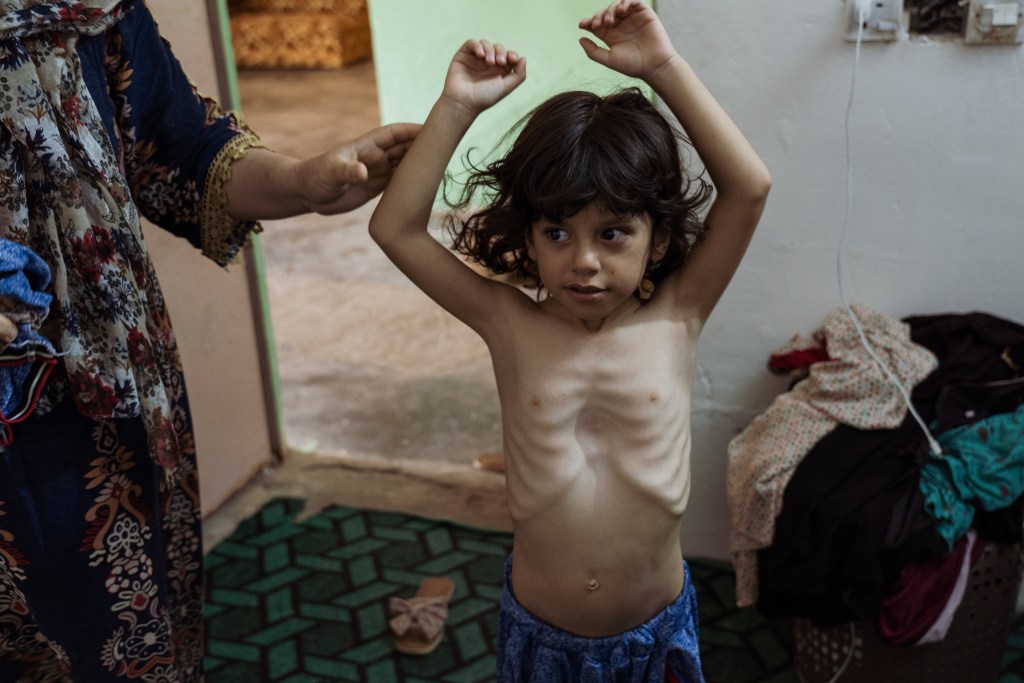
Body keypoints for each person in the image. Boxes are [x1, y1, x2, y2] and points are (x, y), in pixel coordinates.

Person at [0, 0, 417, 679]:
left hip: (107, 407)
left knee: (124, 640)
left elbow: (180, 145)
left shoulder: (92, 9)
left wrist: (304, 181)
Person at [369, 0, 771, 680]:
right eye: (558, 232)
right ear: (528, 237)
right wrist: (457, 104)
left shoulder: (679, 314)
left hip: (655, 632)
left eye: (612, 233)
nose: (584, 260)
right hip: (543, 639)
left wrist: (663, 68)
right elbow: (396, 229)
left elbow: (749, 188)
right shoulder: (509, 322)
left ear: (660, 238)